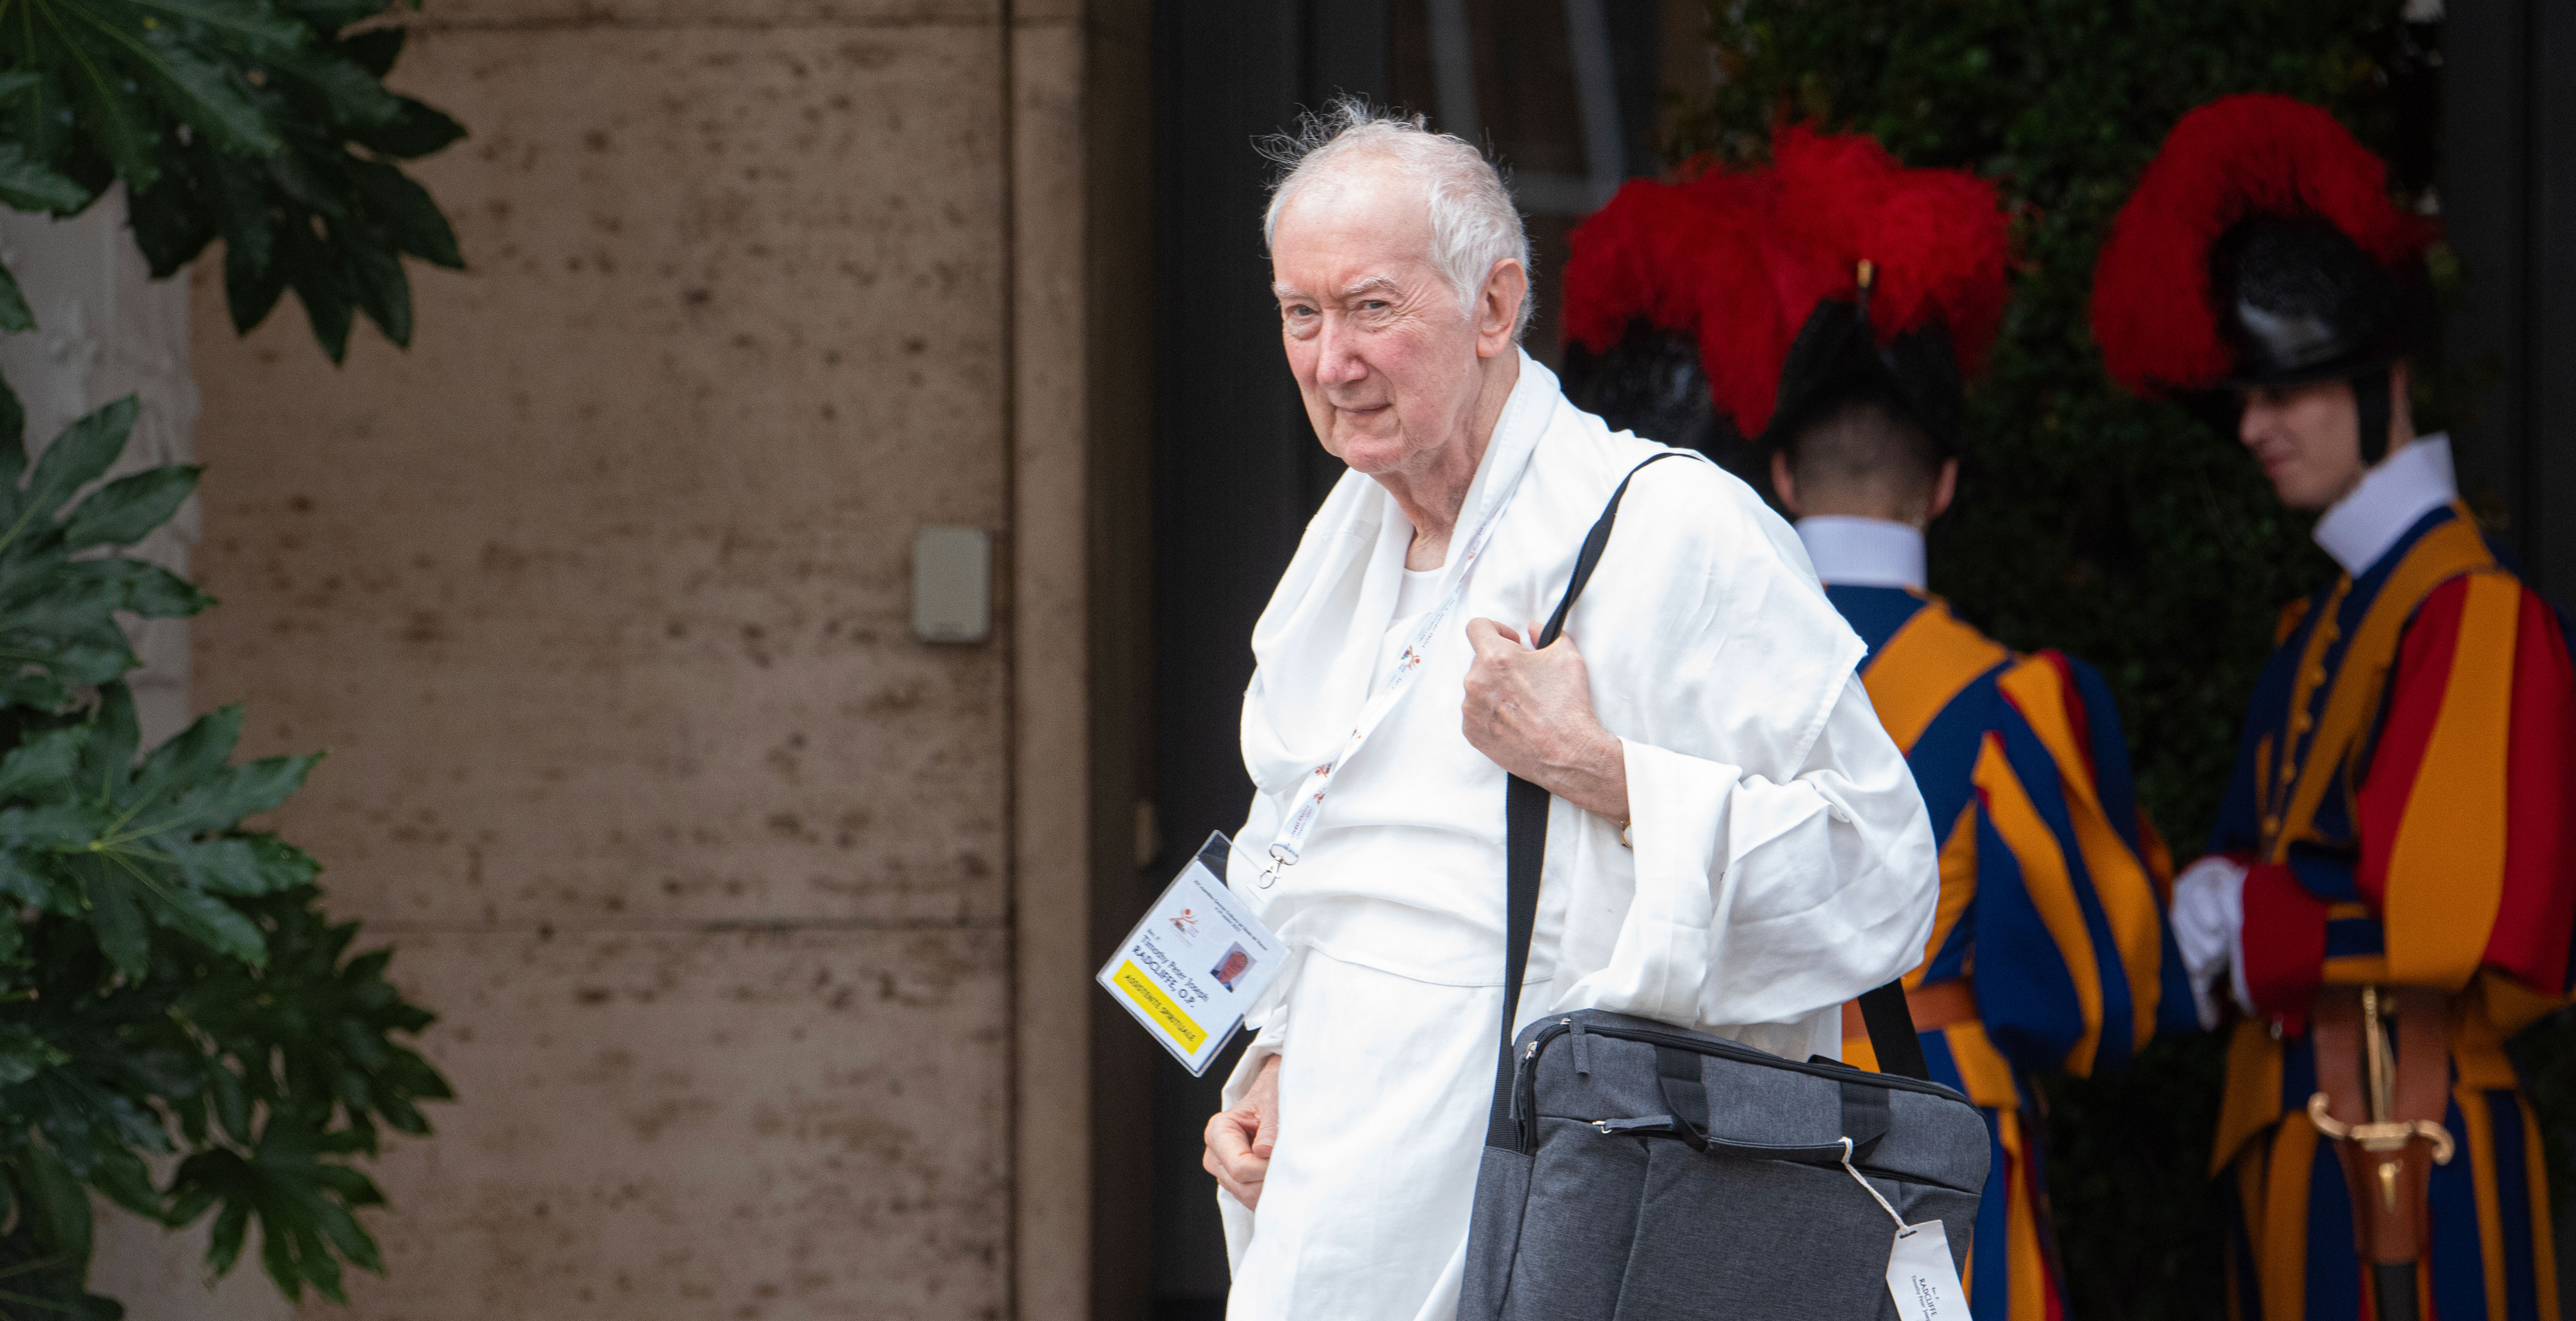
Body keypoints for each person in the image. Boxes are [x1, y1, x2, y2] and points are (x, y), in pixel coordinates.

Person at [1198, 101, 1941, 1321]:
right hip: (1326, 1239)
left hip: (1575, 1234)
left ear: (1494, 306)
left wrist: (1600, 768)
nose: (1332, 362)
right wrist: (1274, 1055)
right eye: (1302, 314)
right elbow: (1312, 873)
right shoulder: (1332, 567)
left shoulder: (1678, 532)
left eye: (1372, 307)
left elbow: (1881, 881)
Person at [1559, 123, 2197, 1321]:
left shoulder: (1669, 679)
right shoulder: (2016, 703)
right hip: (1933, 1150)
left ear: (1778, 477)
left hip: (1728, 1129)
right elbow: (2090, 1000)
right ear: (1946, 485)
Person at [2093, 93, 2576, 1321]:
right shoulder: (2323, 623)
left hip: (2412, 1151)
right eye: (2246, 398)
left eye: (2285, 390)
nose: (2254, 427)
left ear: (2379, 380)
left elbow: (2454, 925)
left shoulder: (2467, 609)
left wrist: (2245, 918)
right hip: (2304, 1143)